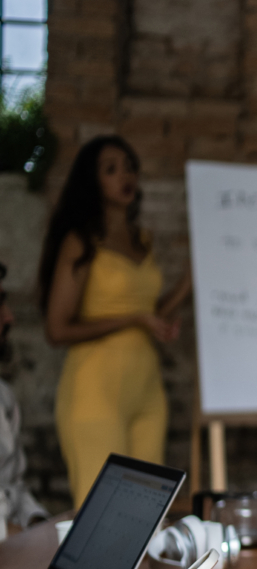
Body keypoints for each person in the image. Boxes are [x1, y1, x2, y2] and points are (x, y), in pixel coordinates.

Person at [38, 136, 191, 508]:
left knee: (143, 517)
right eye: (111, 169)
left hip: (147, 391)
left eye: (129, 166)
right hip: (95, 393)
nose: (125, 176)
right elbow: (57, 329)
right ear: (93, 182)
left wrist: (188, 283)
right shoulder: (81, 241)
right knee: (100, 518)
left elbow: (151, 313)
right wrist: (134, 319)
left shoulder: (144, 239)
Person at [0, 263, 48, 540]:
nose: (10, 317)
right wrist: (20, 537)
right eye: (0, 304)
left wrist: (39, 522)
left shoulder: (4, 396)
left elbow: (13, 485)